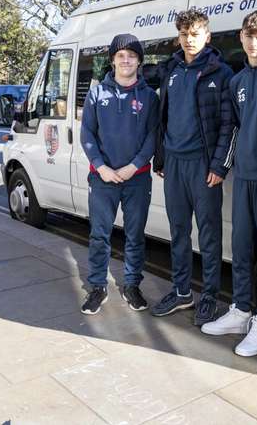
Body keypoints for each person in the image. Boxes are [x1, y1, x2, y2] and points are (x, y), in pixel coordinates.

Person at [200, 10, 257, 357]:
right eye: (249, 36)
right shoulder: (235, 82)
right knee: (240, 245)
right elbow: (231, 129)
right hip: (243, 177)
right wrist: (222, 165)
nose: (254, 43)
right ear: (241, 37)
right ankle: (240, 310)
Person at [151, 9, 235, 326]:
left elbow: (228, 126)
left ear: (207, 36)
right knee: (178, 232)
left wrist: (219, 166)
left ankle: (210, 296)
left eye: (196, 33)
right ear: (179, 37)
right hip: (173, 163)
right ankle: (182, 291)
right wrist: (160, 158)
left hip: (203, 166)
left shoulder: (220, 73)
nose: (189, 39)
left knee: (209, 235)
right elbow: (163, 117)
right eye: (184, 34)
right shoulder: (171, 70)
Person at [80, 33, 159, 315]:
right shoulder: (97, 93)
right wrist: (101, 167)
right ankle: (97, 286)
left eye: (131, 55)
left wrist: (132, 166)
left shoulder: (149, 97)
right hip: (102, 178)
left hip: (136, 178)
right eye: (120, 55)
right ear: (112, 60)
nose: (126, 60)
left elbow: (153, 136)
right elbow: (87, 133)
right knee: (99, 235)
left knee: (135, 235)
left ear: (139, 61)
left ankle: (131, 285)